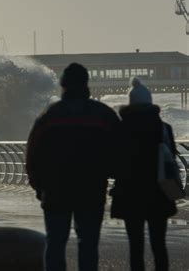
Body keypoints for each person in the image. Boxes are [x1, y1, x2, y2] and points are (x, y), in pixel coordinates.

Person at [26, 63, 119, 271]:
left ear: (63, 84)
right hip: (92, 189)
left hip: (55, 190)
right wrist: (111, 175)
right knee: (88, 244)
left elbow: (33, 153)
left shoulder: (50, 115)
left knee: (56, 243)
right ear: (86, 83)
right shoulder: (103, 114)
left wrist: (38, 185)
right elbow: (120, 151)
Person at [110, 77, 177, 271]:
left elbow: (114, 162)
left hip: (130, 194)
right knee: (159, 244)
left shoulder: (121, 129)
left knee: (135, 246)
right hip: (159, 192)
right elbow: (170, 158)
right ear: (150, 102)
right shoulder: (164, 128)